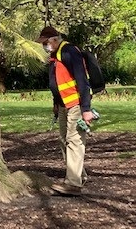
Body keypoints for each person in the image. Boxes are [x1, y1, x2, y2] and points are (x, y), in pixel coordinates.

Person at [36, 25, 95, 196]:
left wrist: (86, 109)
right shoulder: (55, 55)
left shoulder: (69, 52)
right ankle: (79, 175)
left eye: (45, 43)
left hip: (76, 104)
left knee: (74, 140)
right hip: (63, 104)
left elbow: (82, 80)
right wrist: (56, 103)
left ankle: (73, 184)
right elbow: (57, 82)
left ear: (54, 39)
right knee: (64, 140)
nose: (44, 46)